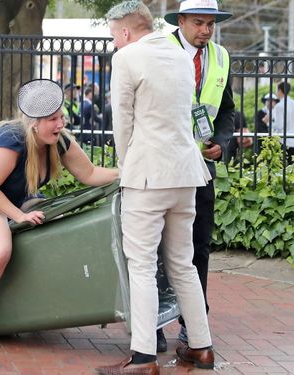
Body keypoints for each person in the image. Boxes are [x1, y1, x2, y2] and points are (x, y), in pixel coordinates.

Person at [0, 78, 118, 355]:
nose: (60, 124)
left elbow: (90, 174)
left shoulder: (58, 141)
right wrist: (18, 216)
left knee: (50, 229)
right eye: (53, 119)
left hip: (12, 197)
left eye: (61, 116)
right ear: (34, 122)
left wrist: (131, 173)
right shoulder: (12, 140)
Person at [96, 2, 214, 374]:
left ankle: (144, 357)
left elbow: (122, 123)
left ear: (127, 32)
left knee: (143, 265)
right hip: (187, 173)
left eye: (114, 35)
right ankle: (201, 347)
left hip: (148, 175)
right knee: (183, 263)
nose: (114, 42)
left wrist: (125, 167)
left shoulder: (127, 58)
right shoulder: (179, 53)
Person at [160, 0, 235, 349]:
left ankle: (193, 319)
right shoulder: (159, 50)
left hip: (200, 168)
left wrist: (221, 143)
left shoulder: (220, 57)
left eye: (211, 24)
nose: (205, 30)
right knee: (157, 247)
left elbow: (227, 112)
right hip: (162, 166)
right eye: (198, 23)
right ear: (181, 21)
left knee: (198, 246)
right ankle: (154, 321)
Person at [272, 81, 294, 163]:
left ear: (279, 91)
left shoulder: (279, 106)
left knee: (281, 171)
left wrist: (270, 124)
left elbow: (279, 126)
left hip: (283, 142)